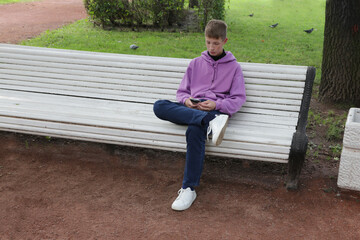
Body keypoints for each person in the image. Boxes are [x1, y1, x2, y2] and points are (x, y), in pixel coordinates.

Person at [153, 19, 246, 211]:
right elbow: (181, 93)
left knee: (194, 132)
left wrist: (217, 104)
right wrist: (187, 100)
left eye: (216, 43)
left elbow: (238, 99)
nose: (211, 47)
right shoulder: (195, 63)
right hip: (192, 110)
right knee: (159, 106)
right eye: (208, 42)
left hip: (215, 109)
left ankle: (188, 188)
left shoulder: (234, 68)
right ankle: (210, 121)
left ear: (225, 41)